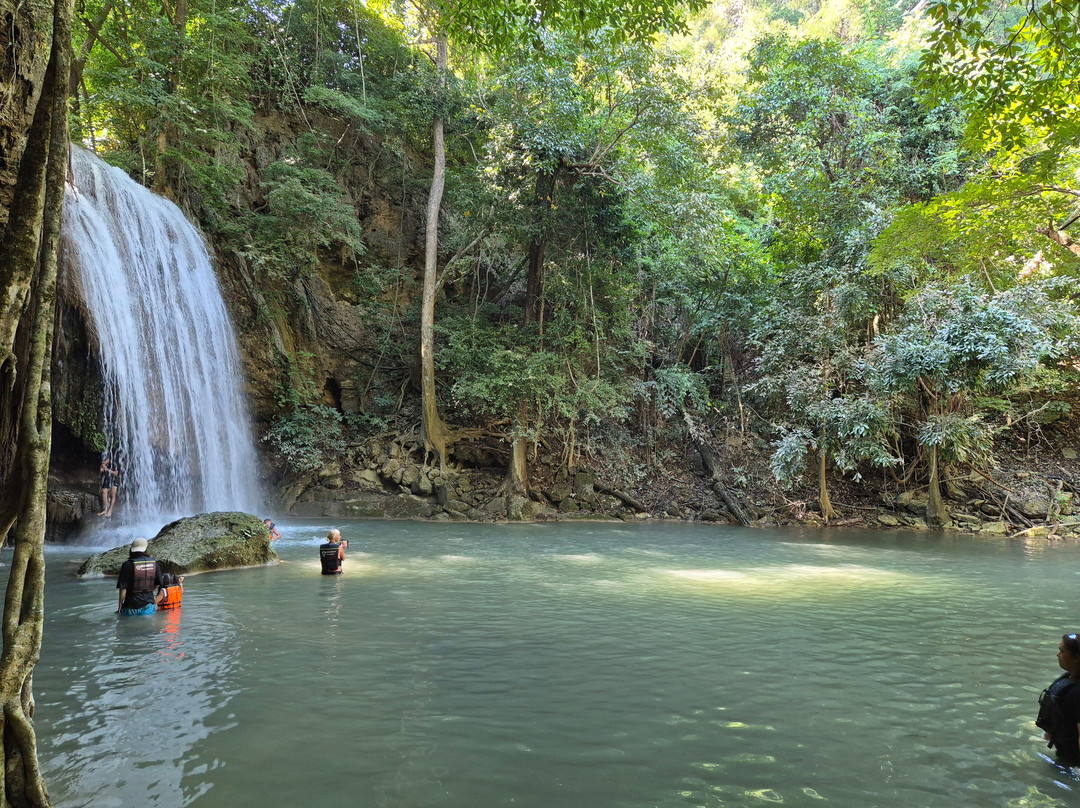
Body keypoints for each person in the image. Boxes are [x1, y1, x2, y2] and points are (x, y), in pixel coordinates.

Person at [1036, 632, 1080, 766]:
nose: (1058, 655)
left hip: (1072, 764)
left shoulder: (1078, 693)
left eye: (1061, 651)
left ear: (1076, 658)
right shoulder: (1070, 679)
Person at [116, 537, 162, 615]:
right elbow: (159, 583)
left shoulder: (127, 565)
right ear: (145, 549)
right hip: (147, 605)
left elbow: (123, 589)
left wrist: (120, 606)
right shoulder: (154, 564)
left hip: (130, 606)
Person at [97, 452, 113, 516]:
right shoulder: (103, 465)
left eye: (105, 460)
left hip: (112, 480)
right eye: (103, 460)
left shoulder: (112, 464)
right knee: (104, 493)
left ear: (108, 460)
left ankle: (108, 509)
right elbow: (99, 474)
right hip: (106, 481)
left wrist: (105, 468)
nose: (103, 461)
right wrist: (100, 471)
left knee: (109, 494)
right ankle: (105, 509)